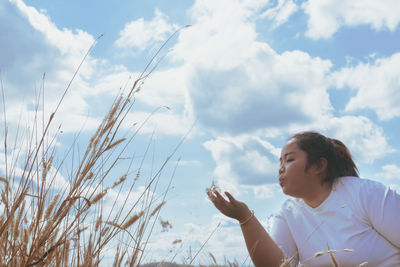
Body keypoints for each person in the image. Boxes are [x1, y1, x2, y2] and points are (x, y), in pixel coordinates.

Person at [207, 131, 400, 267]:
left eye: (289, 160)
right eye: (280, 162)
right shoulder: (288, 212)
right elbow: (278, 265)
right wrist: (245, 218)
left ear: (318, 166)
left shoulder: (365, 193)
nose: (281, 168)